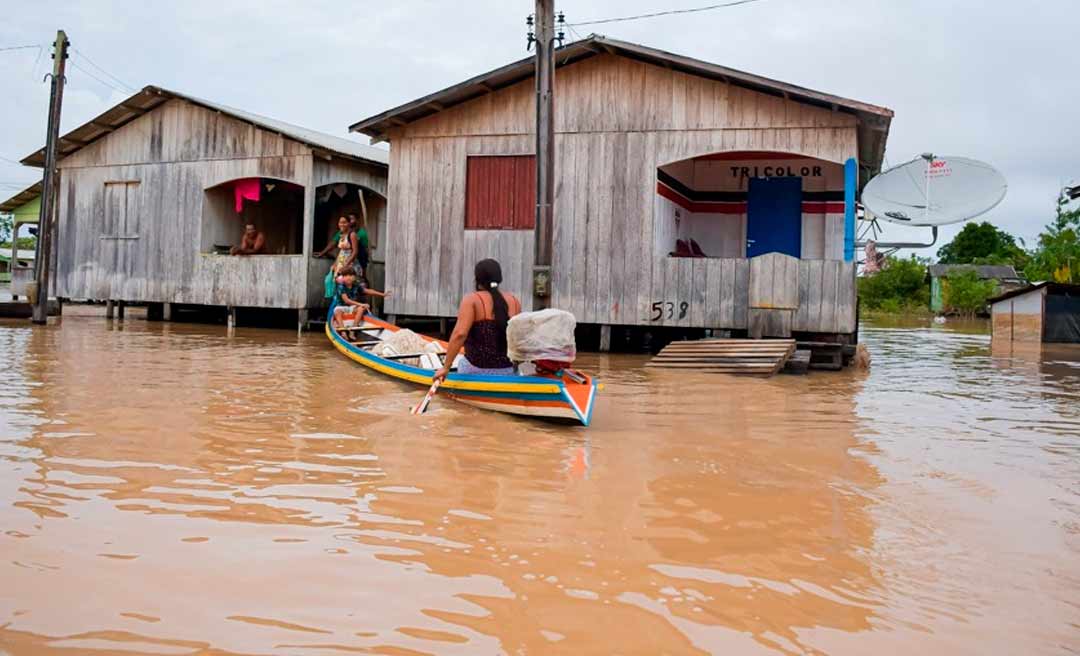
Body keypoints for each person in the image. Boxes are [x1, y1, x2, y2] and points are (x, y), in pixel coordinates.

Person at [434, 259, 521, 381]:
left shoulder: (472, 300)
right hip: (508, 371)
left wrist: (446, 368)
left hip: (475, 370)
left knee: (461, 361)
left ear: (477, 279)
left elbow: (460, 334)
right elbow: (519, 339)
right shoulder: (514, 301)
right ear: (499, 278)